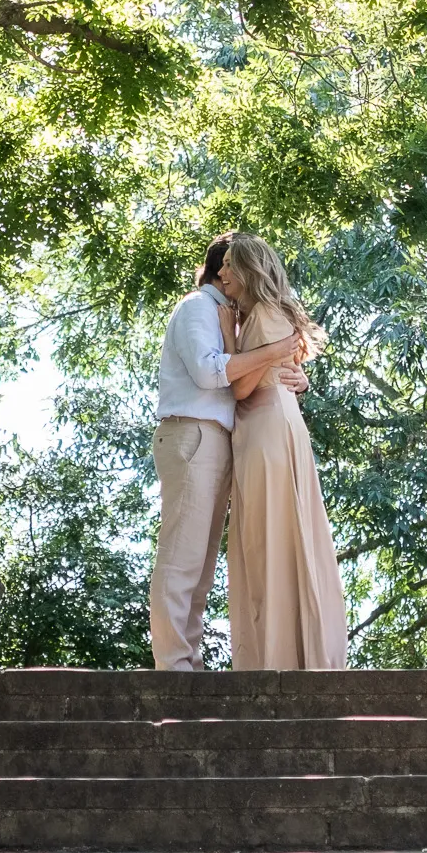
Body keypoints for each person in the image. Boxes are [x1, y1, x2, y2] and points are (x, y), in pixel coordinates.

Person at [149, 233, 306, 671]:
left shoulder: (231, 320)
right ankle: (174, 667)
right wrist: (274, 351)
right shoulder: (198, 307)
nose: (228, 279)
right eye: (227, 270)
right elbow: (207, 372)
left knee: (200, 566)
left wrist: (290, 374)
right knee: (182, 558)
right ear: (225, 270)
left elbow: (250, 378)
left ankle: (188, 662)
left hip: (217, 441)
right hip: (192, 435)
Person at [217, 234, 349, 670]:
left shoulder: (263, 317)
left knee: (268, 540)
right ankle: (292, 649)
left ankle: (275, 659)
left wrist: (226, 338)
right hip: (280, 425)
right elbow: (283, 372)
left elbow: (240, 387)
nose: (221, 274)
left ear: (249, 271)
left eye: (229, 267)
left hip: (267, 431)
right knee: (284, 535)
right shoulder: (271, 315)